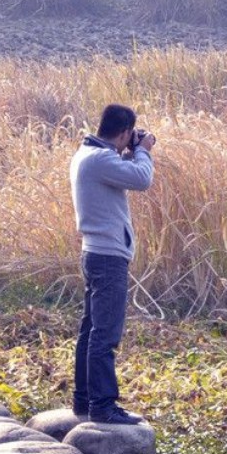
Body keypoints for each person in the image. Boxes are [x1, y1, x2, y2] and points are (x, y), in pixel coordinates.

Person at [69, 103, 156, 426]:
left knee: (91, 331)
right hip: (108, 257)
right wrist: (143, 150)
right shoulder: (100, 160)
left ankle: (83, 401)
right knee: (105, 335)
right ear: (123, 132)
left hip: (95, 253)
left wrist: (131, 150)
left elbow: (122, 170)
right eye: (129, 135)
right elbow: (142, 179)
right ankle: (103, 407)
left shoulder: (88, 155)